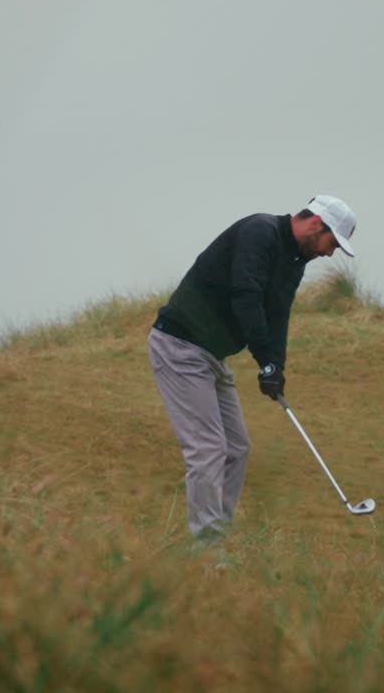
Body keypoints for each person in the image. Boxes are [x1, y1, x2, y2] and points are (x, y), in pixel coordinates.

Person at [147, 195, 357, 543]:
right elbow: (246, 294)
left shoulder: (295, 258)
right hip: (180, 346)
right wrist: (264, 357)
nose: (329, 253)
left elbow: (278, 313)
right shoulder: (259, 232)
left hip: (212, 355)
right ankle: (207, 548)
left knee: (237, 447)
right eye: (331, 243)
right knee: (209, 448)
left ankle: (217, 537)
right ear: (316, 224)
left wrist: (277, 365)